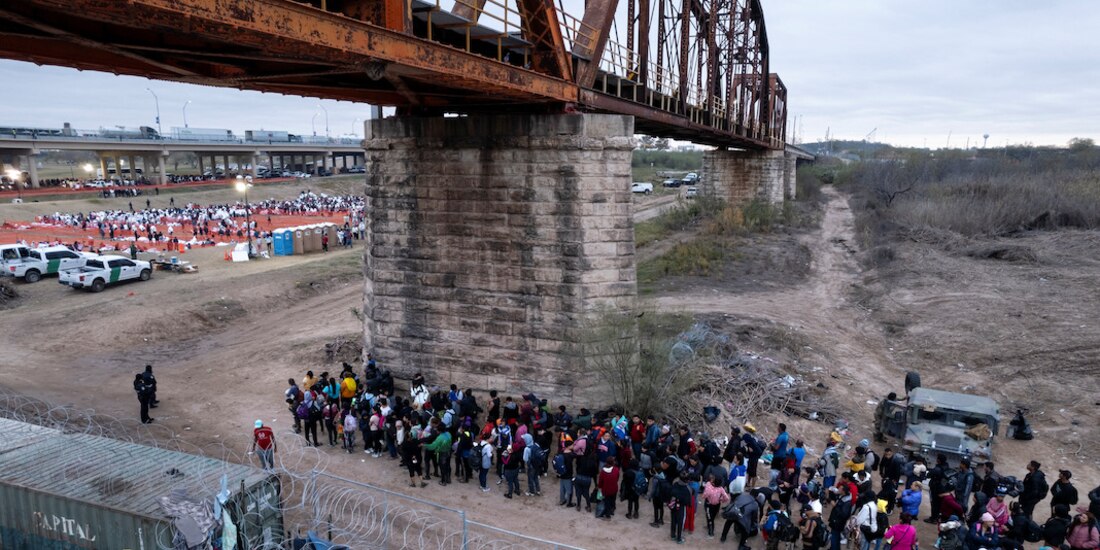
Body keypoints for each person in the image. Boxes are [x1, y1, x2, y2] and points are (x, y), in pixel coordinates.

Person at [702, 473, 731, 538]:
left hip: (708, 504)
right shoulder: (721, 488)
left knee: (710, 518)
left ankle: (711, 533)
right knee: (712, 517)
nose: (711, 479)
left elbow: (704, 495)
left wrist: (704, 496)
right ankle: (709, 526)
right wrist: (721, 500)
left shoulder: (708, 486)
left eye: (713, 479)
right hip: (717, 505)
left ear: (714, 482)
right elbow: (726, 498)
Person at [827, 484, 853, 550]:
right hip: (836, 520)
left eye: (840, 489)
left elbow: (844, 514)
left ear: (843, 491)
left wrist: (835, 506)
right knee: (836, 537)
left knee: (834, 537)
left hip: (838, 522)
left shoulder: (847, 502)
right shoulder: (843, 496)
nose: (838, 489)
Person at [669, 478, 692, 544]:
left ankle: (673, 535)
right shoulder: (687, 488)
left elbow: (671, 493)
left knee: (673, 520)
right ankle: (679, 538)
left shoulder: (675, 484)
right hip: (681, 507)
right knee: (680, 522)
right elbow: (688, 502)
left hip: (673, 505)